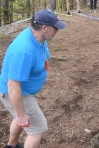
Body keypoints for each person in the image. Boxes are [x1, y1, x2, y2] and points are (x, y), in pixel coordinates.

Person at [0, 9, 66, 148]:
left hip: (22, 91)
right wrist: (20, 114)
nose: (57, 31)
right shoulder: (24, 51)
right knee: (37, 129)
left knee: (22, 119)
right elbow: (12, 85)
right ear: (44, 28)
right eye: (55, 28)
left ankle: (11, 146)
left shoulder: (37, 37)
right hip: (16, 93)